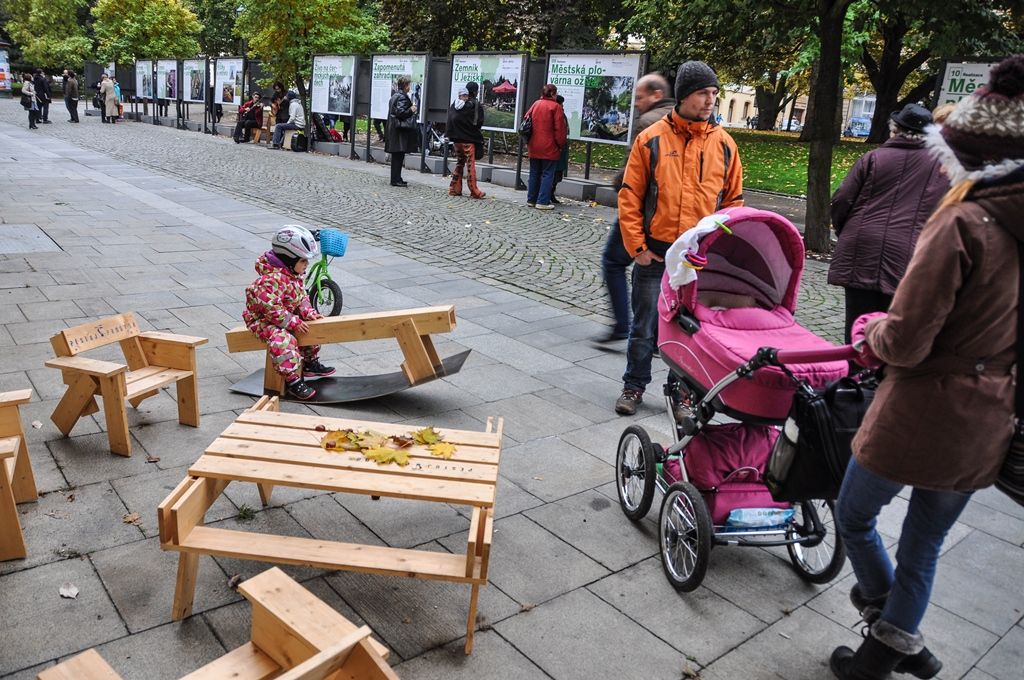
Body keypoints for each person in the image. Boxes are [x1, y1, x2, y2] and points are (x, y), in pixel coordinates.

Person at [829, 56, 1024, 680]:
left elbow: (906, 341)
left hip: (921, 410)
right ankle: (899, 634)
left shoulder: (965, 221)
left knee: (854, 514)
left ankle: (889, 640)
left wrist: (872, 330)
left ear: (968, 152)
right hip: (988, 413)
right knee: (924, 544)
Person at [614, 61, 743, 416]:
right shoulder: (651, 138)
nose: (710, 101)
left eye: (714, 93)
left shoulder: (725, 145)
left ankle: (682, 394)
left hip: (698, 259)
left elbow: (733, 204)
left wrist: (720, 253)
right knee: (643, 327)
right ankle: (633, 385)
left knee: (688, 332)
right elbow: (629, 196)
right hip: (655, 253)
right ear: (685, 96)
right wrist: (637, 248)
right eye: (703, 93)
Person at [828, 103, 949, 342]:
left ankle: (855, 373)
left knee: (856, 323)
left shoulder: (873, 158)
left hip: (861, 246)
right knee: (891, 322)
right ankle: (880, 374)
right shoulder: (941, 169)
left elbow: (841, 200)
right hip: (906, 251)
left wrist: (846, 230)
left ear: (895, 129)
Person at [598, 73, 675, 344]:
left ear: (656, 95)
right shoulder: (681, 123)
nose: (636, 104)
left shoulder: (648, 123)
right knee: (662, 272)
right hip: (668, 217)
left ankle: (624, 325)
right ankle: (656, 335)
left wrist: (617, 184)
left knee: (613, 261)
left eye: (640, 98)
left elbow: (633, 175)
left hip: (640, 211)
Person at [243, 225, 335, 401]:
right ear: (288, 260)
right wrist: (292, 321)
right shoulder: (268, 281)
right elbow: (271, 308)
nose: (307, 264)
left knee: (310, 327)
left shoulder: (293, 275)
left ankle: (310, 363)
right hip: (262, 320)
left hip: (285, 315)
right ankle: (292, 381)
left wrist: (307, 312)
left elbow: (301, 297)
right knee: (282, 339)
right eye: (303, 261)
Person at [525, 84, 567, 210]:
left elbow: (526, 120)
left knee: (534, 172)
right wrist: (560, 145)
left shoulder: (536, 104)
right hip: (549, 146)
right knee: (548, 173)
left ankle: (531, 199)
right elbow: (559, 129)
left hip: (534, 144)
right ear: (553, 93)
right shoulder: (555, 107)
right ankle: (542, 201)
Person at [446, 83, 486, 199]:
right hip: (469, 140)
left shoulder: (456, 104)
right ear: (474, 92)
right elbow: (478, 123)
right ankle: (474, 190)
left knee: (459, 163)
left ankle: (454, 188)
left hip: (457, 141)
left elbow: (450, 119)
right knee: (470, 165)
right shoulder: (474, 105)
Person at [385, 75, 419, 187]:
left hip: (395, 129)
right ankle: (395, 179)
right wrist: (411, 110)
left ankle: (397, 178)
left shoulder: (395, 95)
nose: (409, 87)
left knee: (397, 156)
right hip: (399, 131)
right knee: (398, 156)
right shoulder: (402, 97)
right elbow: (400, 113)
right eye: (408, 84)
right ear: (405, 85)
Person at [550, 95, 570, 204]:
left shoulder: (560, 113)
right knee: (554, 173)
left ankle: (550, 193)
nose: (562, 106)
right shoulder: (558, 113)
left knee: (556, 173)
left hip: (558, 147)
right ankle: (549, 193)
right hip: (557, 147)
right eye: (561, 104)